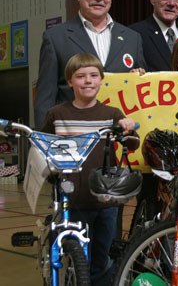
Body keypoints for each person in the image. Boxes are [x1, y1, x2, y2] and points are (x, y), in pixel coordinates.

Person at [41, 53, 139, 285]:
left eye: (94, 75)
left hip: (107, 201)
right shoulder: (57, 114)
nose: (88, 81)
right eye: (81, 76)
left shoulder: (112, 114)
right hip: (73, 199)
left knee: (103, 259)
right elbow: (43, 147)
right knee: (77, 259)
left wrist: (127, 128)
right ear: (70, 81)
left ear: (101, 80)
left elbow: (132, 144)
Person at [34, 0, 147, 130]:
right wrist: (43, 141)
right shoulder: (55, 37)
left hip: (119, 135)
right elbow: (45, 97)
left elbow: (141, 91)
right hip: (72, 135)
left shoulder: (132, 38)